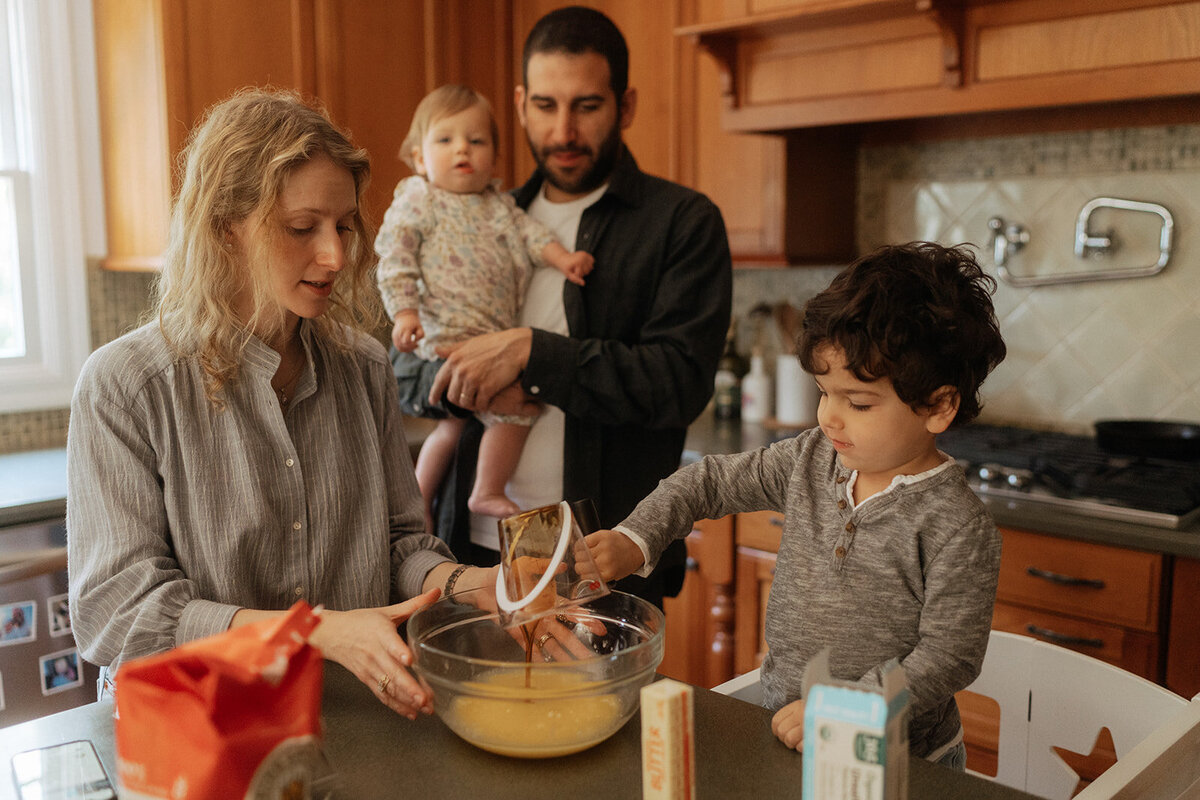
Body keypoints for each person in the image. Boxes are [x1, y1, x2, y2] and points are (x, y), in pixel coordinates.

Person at [66, 88, 494, 718]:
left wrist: (465, 584)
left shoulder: (363, 366)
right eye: (302, 228)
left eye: (345, 225)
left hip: (346, 721)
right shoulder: (126, 387)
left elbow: (400, 544)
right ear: (224, 228)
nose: (336, 256)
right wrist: (312, 631)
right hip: (199, 739)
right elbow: (118, 615)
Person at [583, 242, 1008, 767]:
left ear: (938, 406)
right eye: (824, 391)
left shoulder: (957, 525)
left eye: (858, 402)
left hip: (897, 759)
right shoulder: (811, 458)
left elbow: (949, 658)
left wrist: (846, 706)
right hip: (790, 731)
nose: (829, 416)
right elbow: (708, 482)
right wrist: (635, 537)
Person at [391, 6, 732, 607]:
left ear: (624, 106)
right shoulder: (476, 214)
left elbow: (677, 382)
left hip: (602, 556)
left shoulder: (681, 222)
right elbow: (403, 372)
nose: (564, 131)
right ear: (521, 104)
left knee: (604, 704)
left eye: (587, 106)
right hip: (470, 551)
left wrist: (532, 353)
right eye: (546, 106)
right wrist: (466, 387)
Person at [376, 85, 594, 527]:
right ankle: (469, 492)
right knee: (510, 409)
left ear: (493, 156)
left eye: (476, 141)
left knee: (462, 424)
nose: (463, 150)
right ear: (420, 158)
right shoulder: (420, 199)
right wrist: (404, 312)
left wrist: (564, 259)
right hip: (442, 335)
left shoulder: (501, 207)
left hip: (489, 342)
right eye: (446, 140)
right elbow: (395, 256)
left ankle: (451, 495)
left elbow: (535, 239)